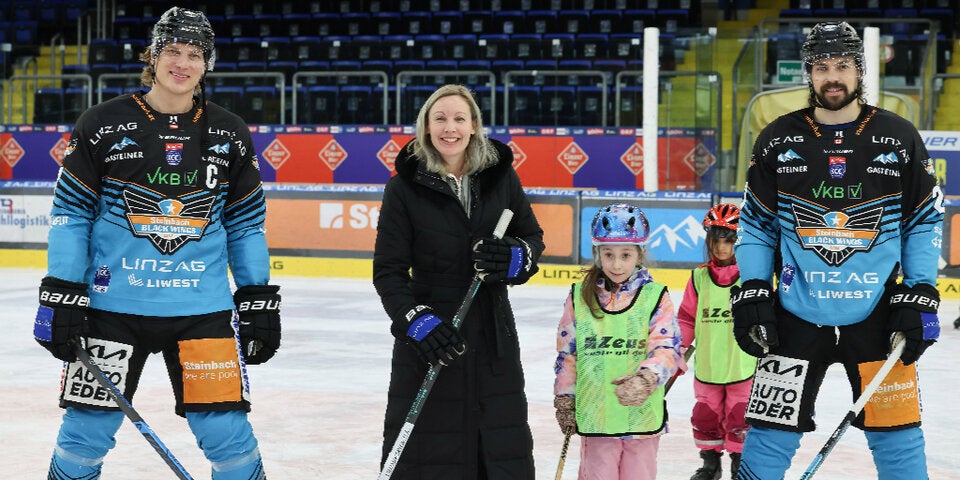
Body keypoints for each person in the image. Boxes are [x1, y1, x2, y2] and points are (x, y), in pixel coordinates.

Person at [33, 7, 280, 479]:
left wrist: (257, 298)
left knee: (227, 434)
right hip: (111, 309)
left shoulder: (229, 131)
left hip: (202, 310)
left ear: (207, 64)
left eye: (194, 54)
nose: (182, 63)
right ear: (153, 55)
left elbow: (246, 224)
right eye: (172, 51)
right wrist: (60, 294)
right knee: (85, 432)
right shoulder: (101, 123)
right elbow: (70, 216)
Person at [732, 21, 944, 479]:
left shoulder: (899, 136)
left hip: (878, 317)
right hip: (793, 316)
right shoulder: (777, 138)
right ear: (807, 73)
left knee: (899, 437)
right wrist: (750, 289)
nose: (833, 76)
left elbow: (923, 222)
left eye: (843, 66)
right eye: (822, 66)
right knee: (768, 435)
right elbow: (756, 224)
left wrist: (922, 293)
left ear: (859, 70)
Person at [373, 84, 544, 479]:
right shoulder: (404, 187)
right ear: (426, 127)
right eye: (440, 118)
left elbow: (533, 241)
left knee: (498, 450)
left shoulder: (500, 178)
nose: (450, 128)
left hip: (492, 334)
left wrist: (513, 258)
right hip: (432, 338)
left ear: (473, 127)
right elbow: (388, 272)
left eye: (459, 119)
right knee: (430, 457)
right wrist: (418, 322)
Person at [553, 203, 684, 480]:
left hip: (641, 418)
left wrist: (646, 379)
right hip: (596, 416)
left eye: (625, 255)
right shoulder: (580, 296)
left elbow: (667, 348)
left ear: (640, 254)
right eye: (608, 254)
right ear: (597, 253)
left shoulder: (655, 296)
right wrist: (565, 398)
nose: (616, 264)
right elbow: (568, 354)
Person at [677, 203, 755, 480]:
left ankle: (738, 461)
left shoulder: (750, 277)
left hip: (742, 364)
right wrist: (677, 351)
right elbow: (686, 318)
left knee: (739, 416)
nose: (721, 247)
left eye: (729, 241)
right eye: (716, 240)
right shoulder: (699, 278)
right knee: (705, 416)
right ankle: (710, 463)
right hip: (708, 366)